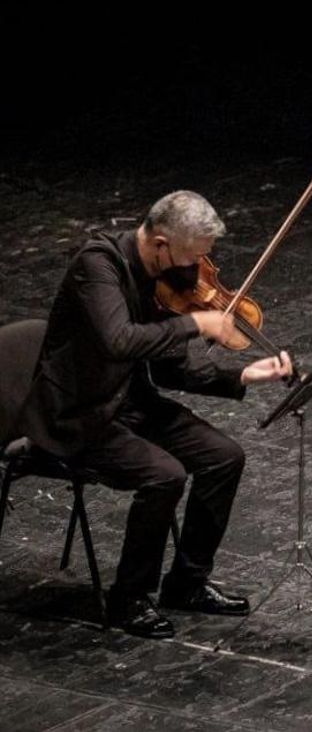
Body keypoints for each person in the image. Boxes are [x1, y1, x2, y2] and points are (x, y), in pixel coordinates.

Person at [14, 191, 295, 638]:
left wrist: (241, 376)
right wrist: (197, 324)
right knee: (165, 475)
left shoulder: (162, 277)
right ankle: (129, 598)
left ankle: (187, 583)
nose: (197, 266)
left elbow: (168, 366)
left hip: (129, 403)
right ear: (161, 243)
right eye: (193, 255)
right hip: (77, 415)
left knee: (224, 457)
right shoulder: (97, 266)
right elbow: (119, 341)